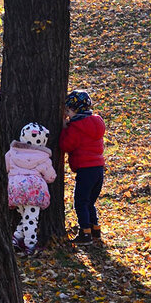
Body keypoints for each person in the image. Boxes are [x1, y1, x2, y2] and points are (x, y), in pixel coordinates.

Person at [59, 89, 105, 246]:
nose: (67, 114)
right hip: (98, 168)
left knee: (80, 202)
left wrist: (64, 129)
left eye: (68, 111)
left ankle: (85, 232)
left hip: (85, 169)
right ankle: (95, 228)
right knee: (90, 201)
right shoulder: (96, 123)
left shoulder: (76, 128)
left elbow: (65, 145)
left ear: (75, 110)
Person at [5, 122, 57, 254]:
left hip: (15, 188)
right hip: (34, 190)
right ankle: (30, 245)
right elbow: (51, 177)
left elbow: (5, 168)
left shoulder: (11, 153)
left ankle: (16, 238)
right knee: (31, 218)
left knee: (25, 216)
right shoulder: (43, 158)